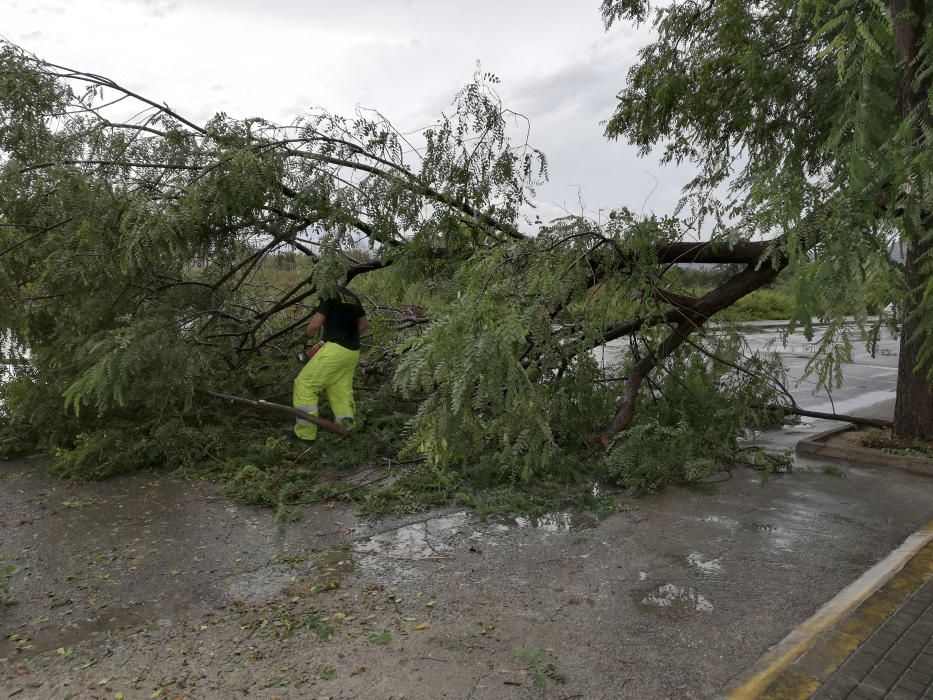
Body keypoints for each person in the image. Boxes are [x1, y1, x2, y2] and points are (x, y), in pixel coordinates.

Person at [292, 286, 368, 441]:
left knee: (305, 384)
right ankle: (346, 429)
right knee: (340, 390)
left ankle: (305, 435)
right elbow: (364, 325)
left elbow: (314, 326)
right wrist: (347, 335)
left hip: (335, 350)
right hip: (352, 351)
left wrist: (302, 339)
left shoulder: (329, 293)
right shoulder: (352, 296)